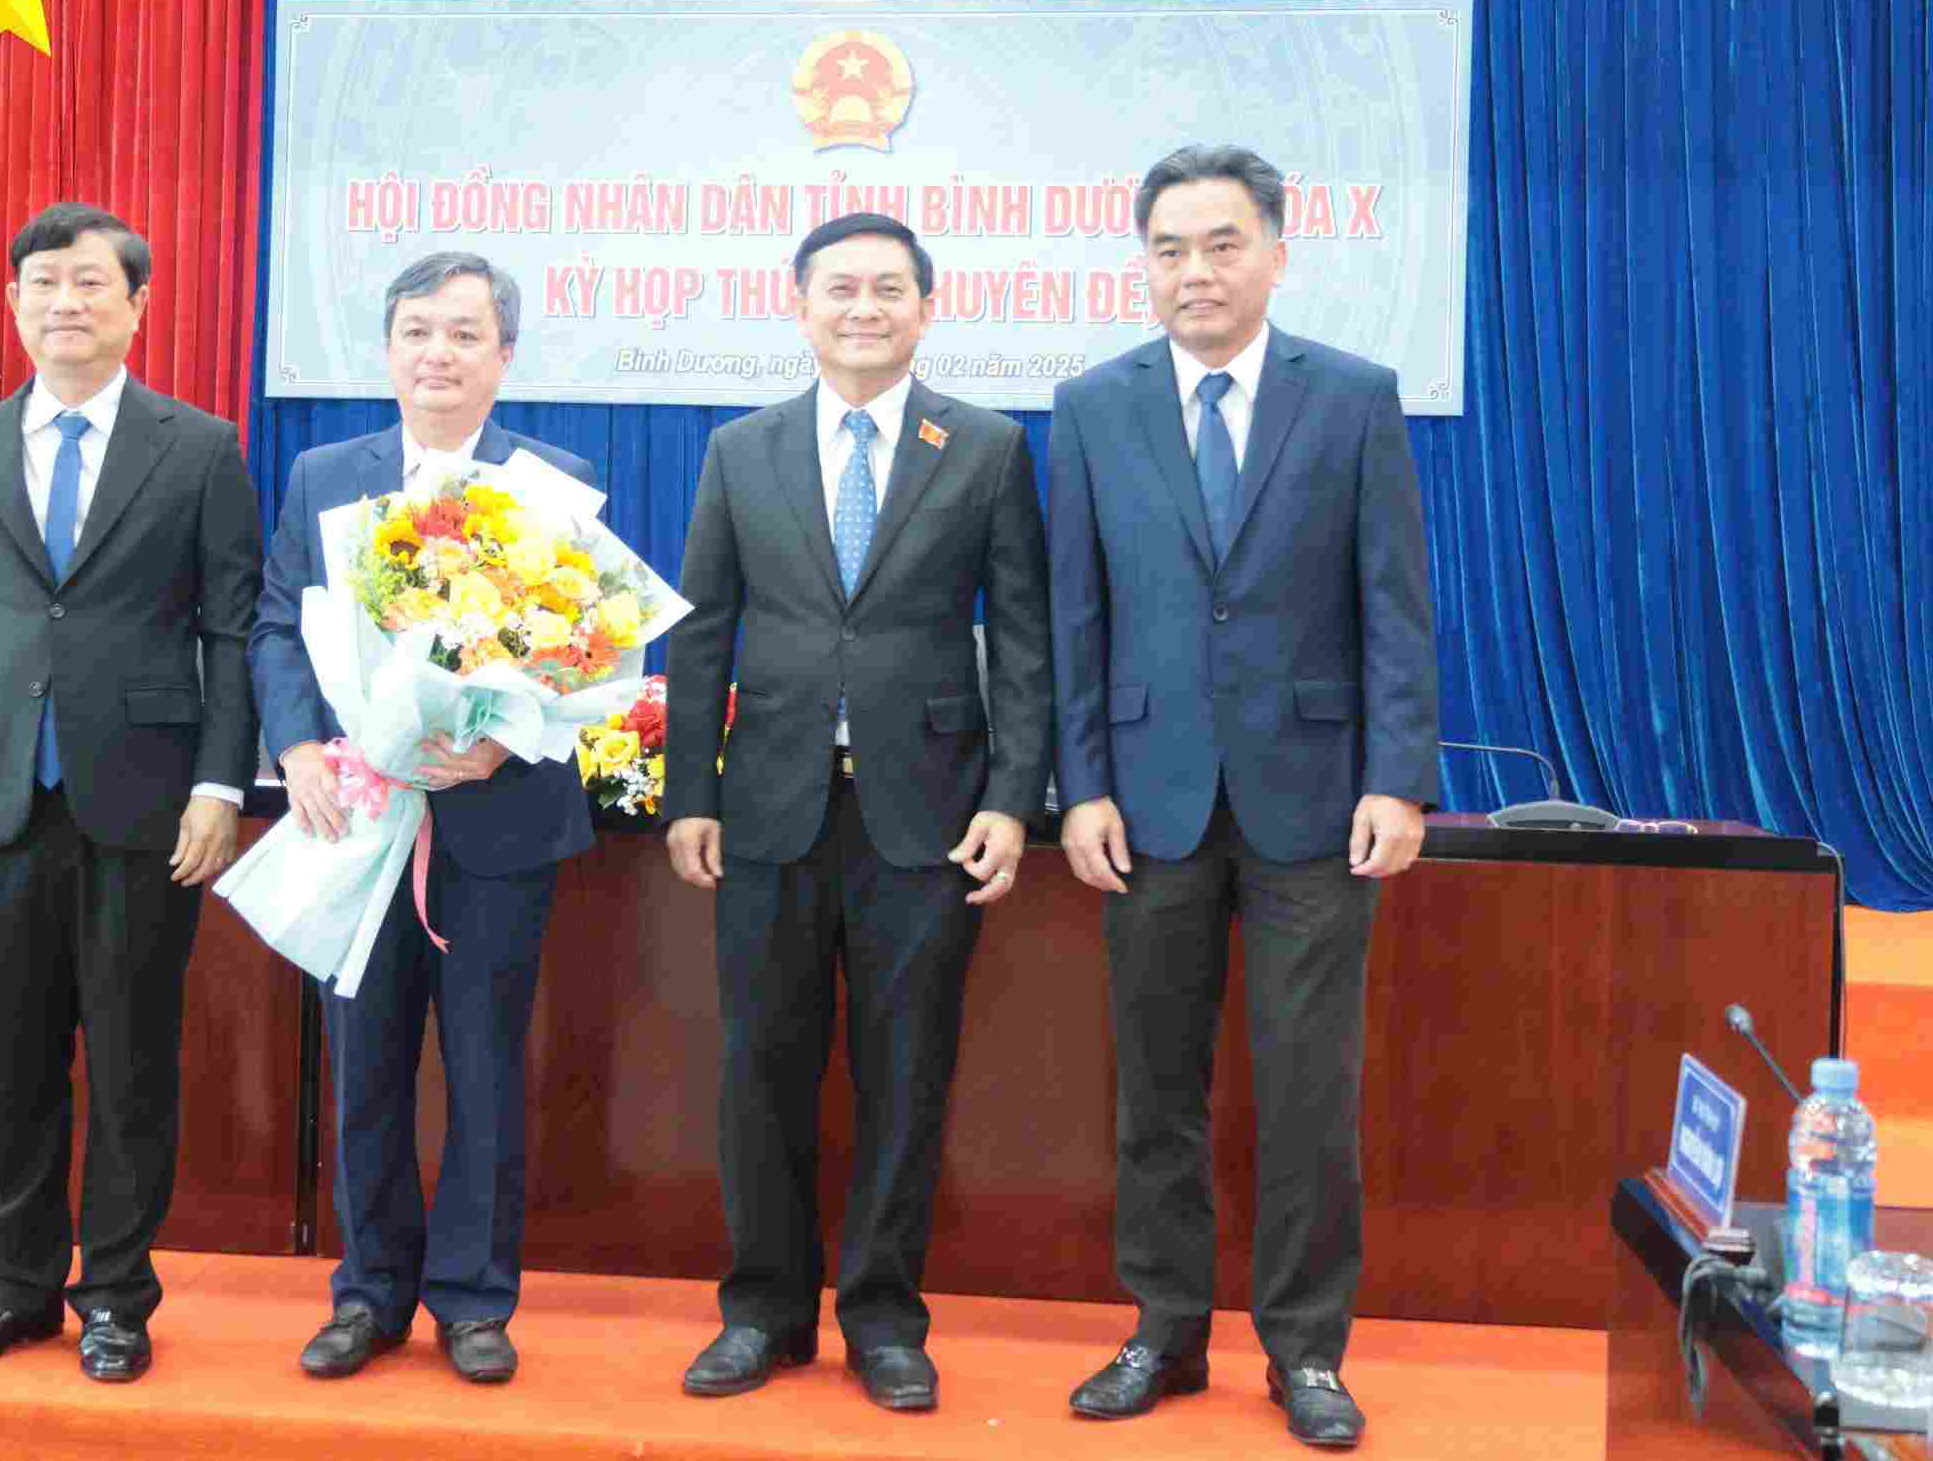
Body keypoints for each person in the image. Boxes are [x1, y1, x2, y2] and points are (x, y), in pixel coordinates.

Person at [1048, 145, 1439, 1449]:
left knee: (1310, 1087)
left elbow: (1393, 604)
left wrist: (1398, 773)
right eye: (1169, 247)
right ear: (1144, 262)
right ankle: (1162, 1327)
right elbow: (1075, 615)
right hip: (1147, 802)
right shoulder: (1094, 404)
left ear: (1277, 248)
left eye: (1221, 243)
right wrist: (1081, 784)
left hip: (1315, 802)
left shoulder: (1353, 396)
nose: (1195, 271)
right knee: (1154, 1082)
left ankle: (1306, 1345)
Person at [662, 212, 1051, 1414]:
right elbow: (700, 632)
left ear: (926, 308)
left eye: (890, 289)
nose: (865, 307)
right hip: (770, 809)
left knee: (907, 1075)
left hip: (924, 818)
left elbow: (1026, 642)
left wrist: (1012, 802)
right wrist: (690, 794)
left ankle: (883, 1318)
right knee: (759, 1073)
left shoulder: (981, 448)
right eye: (841, 288)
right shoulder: (743, 448)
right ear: (800, 304)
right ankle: (762, 1314)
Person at [0, 202, 261, 1384]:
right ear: (12, 304)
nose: (67, 303)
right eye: (44, 283)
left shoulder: (197, 447)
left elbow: (232, 630)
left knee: (136, 1059)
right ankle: (14, 1289)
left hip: (149, 800)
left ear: (138, 306)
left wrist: (218, 781)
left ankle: (118, 1298)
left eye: (92, 284)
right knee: (14, 1060)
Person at [250, 251, 595, 1387]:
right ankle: (369, 1292)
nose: (436, 353)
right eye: (416, 331)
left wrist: (508, 734)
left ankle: (474, 1301)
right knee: (366, 1065)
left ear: (506, 355)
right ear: (386, 348)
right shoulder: (321, 475)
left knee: (487, 1066)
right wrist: (301, 746)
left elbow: (593, 650)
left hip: (497, 819)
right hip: (359, 813)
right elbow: (271, 625)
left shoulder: (554, 479)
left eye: (462, 333)